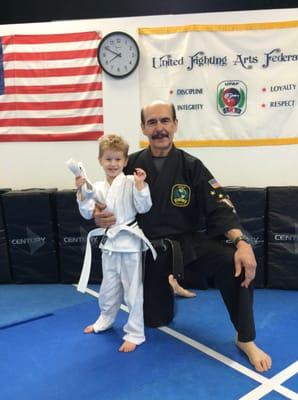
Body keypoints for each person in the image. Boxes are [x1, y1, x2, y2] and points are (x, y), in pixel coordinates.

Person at [92, 101, 272, 372]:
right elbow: (108, 201)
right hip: (146, 249)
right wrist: (100, 216)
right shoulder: (131, 165)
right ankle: (169, 287)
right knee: (155, 320)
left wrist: (242, 242)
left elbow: (220, 205)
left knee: (233, 262)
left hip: (186, 246)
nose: (159, 128)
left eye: (165, 121)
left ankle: (245, 338)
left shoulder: (191, 166)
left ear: (175, 125)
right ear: (143, 128)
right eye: (152, 122)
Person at [74, 133, 156, 353]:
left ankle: (136, 333)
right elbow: (86, 213)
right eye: (108, 159)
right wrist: (81, 191)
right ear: (100, 160)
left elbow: (144, 207)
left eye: (118, 159)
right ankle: (105, 320)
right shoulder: (97, 187)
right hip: (109, 243)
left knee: (133, 291)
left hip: (130, 243)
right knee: (108, 289)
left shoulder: (131, 181)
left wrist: (140, 185)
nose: (113, 164)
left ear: (126, 161)